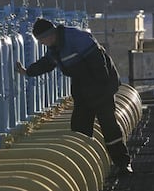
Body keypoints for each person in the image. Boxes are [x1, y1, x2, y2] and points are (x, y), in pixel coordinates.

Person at [16, 18, 133, 175]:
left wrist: (102, 92)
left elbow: (99, 64)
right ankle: (85, 168)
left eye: (42, 40)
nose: (42, 43)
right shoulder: (55, 47)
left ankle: (123, 164)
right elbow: (47, 63)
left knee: (109, 126)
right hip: (82, 85)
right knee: (79, 127)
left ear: (49, 35)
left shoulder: (77, 38)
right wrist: (27, 71)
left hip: (100, 84)